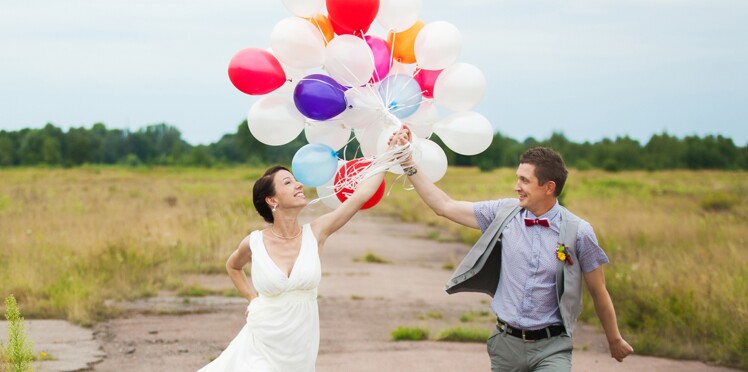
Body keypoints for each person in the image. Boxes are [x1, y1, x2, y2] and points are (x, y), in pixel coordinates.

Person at [391, 128, 633, 371]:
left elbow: (598, 291)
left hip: (553, 348)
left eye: (524, 180)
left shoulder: (579, 232)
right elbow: (444, 206)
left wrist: (614, 340)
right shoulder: (503, 212)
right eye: (518, 178)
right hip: (506, 346)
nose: (516, 186)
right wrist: (407, 161)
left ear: (549, 187)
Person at [198, 162, 391, 372]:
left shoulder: (317, 232)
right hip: (262, 339)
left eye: (295, 180)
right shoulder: (254, 242)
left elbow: (361, 196)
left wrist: (388, 156)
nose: (299, 185)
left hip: (301, 347)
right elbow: (233, 266)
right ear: (272, 200)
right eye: (288, 182)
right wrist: (252, 299)